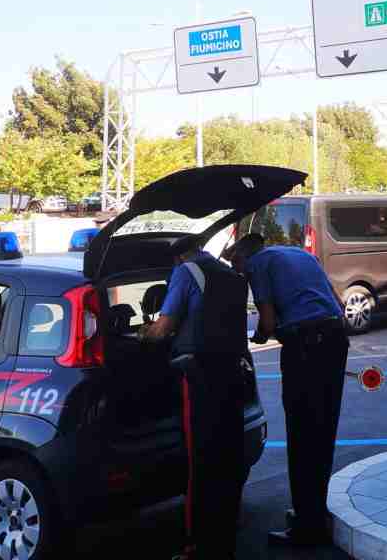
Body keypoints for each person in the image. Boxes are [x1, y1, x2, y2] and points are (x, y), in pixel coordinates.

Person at [228, 232, 347, 547]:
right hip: (335, 338)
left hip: (305, 345)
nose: (239, 273)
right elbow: (338, 302)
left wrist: (256, 338)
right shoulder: (301, 255)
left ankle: (307, 529)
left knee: (302, 431)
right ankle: (314, 513)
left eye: (235, 266)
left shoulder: (257, 265)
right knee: (323, 429)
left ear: (242, 257)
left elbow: (266, 322)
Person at [139, 236, 248, 560]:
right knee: (227, 457)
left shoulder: (187, 272)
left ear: (178, 258)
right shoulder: (230, 274)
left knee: (200, 461)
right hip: (233, 373)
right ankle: (225, 537)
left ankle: (198, 546)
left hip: (201, 375)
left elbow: (164, 327)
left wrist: (144, 332)